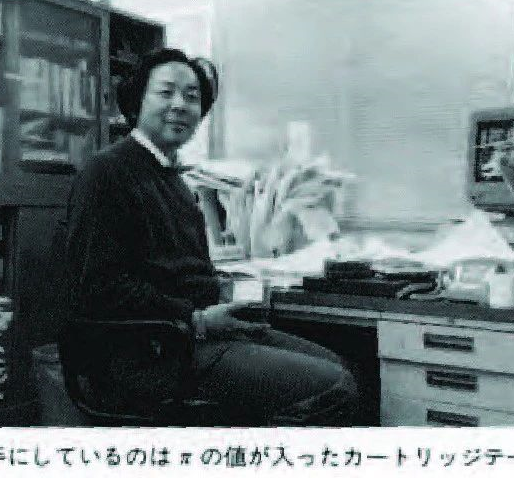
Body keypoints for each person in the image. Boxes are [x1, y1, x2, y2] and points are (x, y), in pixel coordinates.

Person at [64, 48, 358, 425]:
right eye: (166, 92)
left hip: (193, 335)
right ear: (137, 101)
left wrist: (222, 294)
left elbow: (176, 272)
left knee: (342, 366)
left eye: (191, 97)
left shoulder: (175, 181)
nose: (180, 105)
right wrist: (196, 319)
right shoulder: (107, 172)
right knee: (336, 387)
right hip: (148, 354)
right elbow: (98, 288)